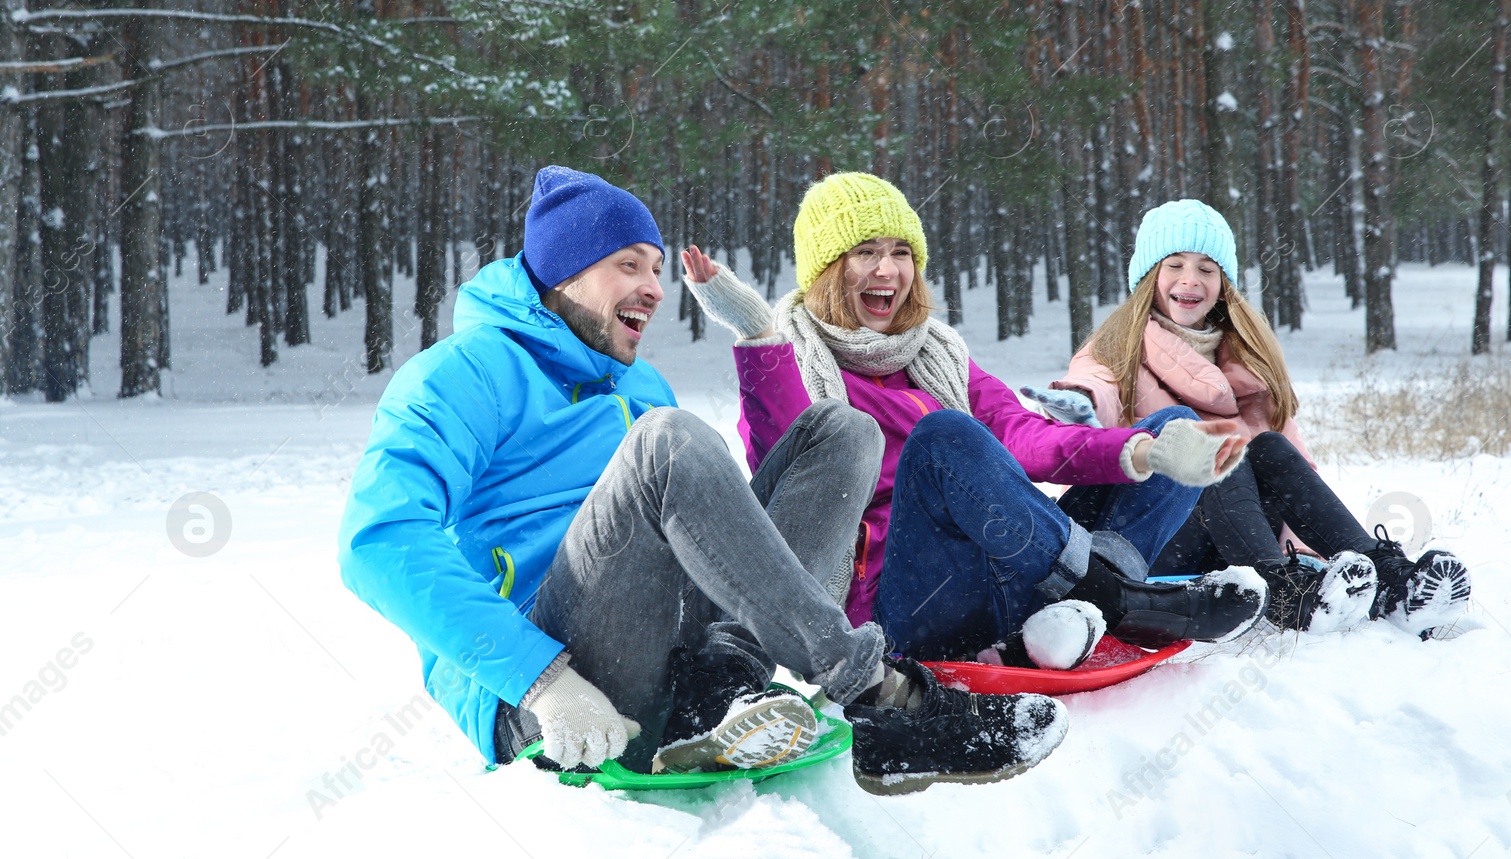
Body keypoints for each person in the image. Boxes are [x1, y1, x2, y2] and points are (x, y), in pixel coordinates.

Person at [338, 166, 1069, 796]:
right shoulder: (465, 370)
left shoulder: (642, 383)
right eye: (628, 264)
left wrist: (763, 345)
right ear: (564, 273)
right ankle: (878, 696)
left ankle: (725, 685)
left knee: (844, 432)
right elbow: (378, 539)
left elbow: (729, 530)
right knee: (667, 442)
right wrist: (538, 679)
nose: (654, 287)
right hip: (553, 685)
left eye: (657, 267)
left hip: (671, 657)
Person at [683, 172, 1266, 674]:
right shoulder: (798, 366)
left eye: (901, 252)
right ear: (828, 270)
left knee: (1169, 424)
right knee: (942, 440)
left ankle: (1057, 624)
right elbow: (782, 468)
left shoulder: (938, 356)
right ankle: (1111, 596)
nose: (888, 269)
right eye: (865, 252)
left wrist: (1141, 452)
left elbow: (1022, 437)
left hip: (1002, 571)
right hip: (899, 606)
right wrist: (761, 341)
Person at [1048, 199, 1472, 639]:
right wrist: (1079, 400)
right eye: (1174, 264)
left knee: (1266, 447)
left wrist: (1309, 553)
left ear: (1223, 283)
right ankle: (1285, 595)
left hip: (1237, 539)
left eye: (1207, 268)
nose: (1190, 279)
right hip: (1150, 539)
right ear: (1148, 275)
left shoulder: (1247, 354)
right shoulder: (1114, 346)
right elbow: (1092, 384)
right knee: (1211, 447)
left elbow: (1294, 470)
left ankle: (1393, 584)